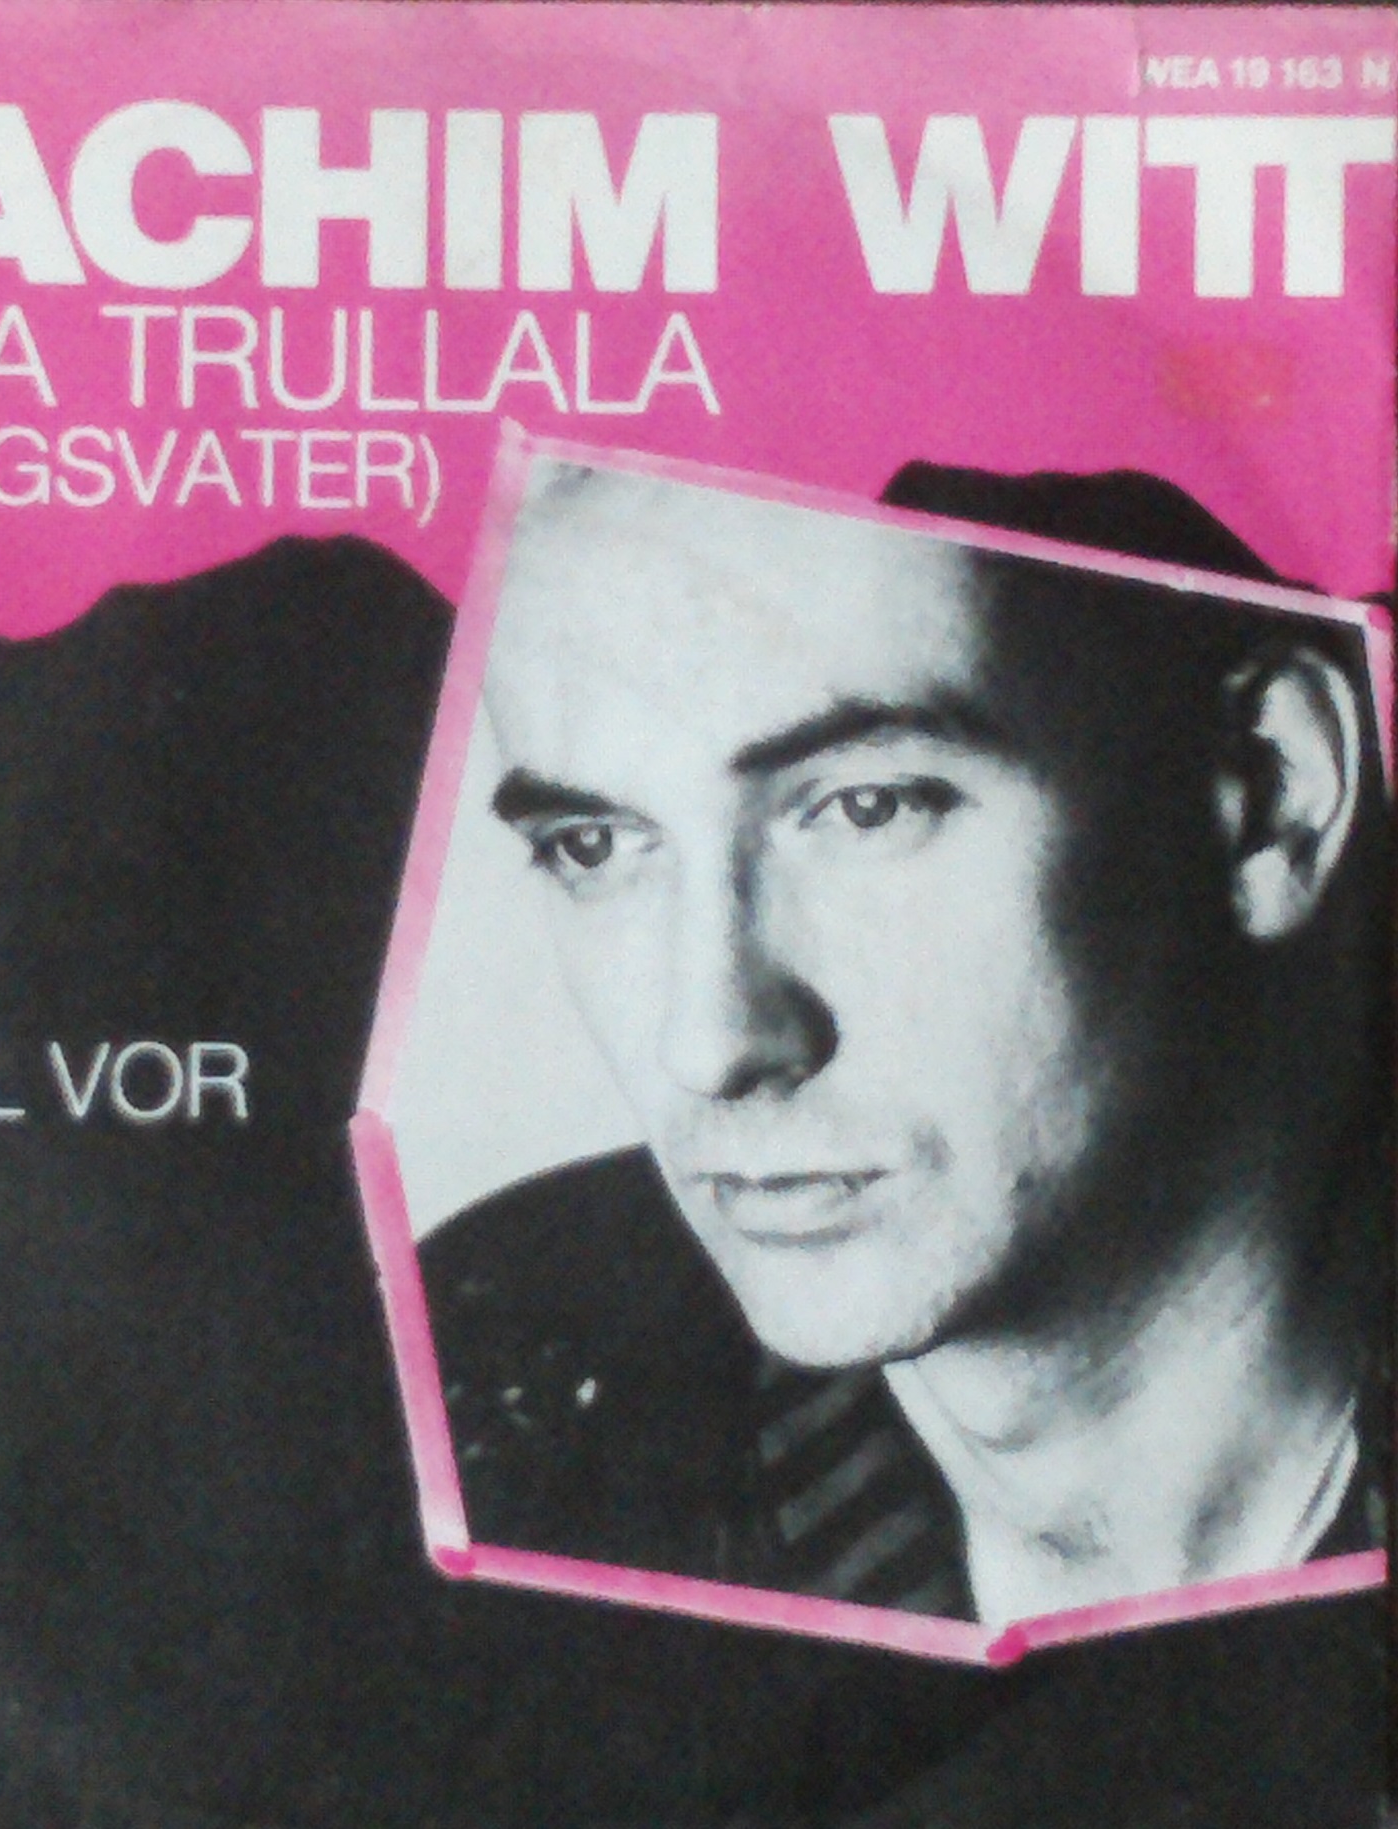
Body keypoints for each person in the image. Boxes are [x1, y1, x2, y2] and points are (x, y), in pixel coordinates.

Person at [421, 459, 1389, 1626]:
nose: (714, 1043)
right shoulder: (481, 1392)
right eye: (592, 843)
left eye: (865, 807)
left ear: (1266, 792)